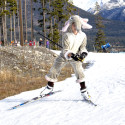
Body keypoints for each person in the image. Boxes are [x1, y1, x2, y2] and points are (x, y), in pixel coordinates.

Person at [41, 15, 92, 101]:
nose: (74, 26)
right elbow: (65, 49)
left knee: (79, 71)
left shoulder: (83, 35)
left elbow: (83, 47)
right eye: (73, 24)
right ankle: (49, 87)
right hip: (65, 55)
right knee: (55, 68)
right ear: (70, 24)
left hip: (76, 56)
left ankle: (84, 91)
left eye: (76, 24)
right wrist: (71, 54)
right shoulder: (67, 35)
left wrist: (83, 54)